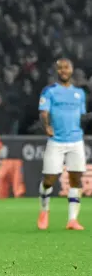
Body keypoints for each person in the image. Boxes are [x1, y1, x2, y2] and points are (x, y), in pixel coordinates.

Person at [37, 58, 88, 231]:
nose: (64, 71)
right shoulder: (49, 91)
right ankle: (44, 210)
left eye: (66, 67)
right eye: (60, 68)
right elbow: (43, 112)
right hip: (56, 140)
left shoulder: (79, 93)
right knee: (49, 180)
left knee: (76, 179)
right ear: (57, 71)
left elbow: (81, 116)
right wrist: (46, 126)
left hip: (76, 140)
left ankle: (72, 220)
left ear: (72, 70)